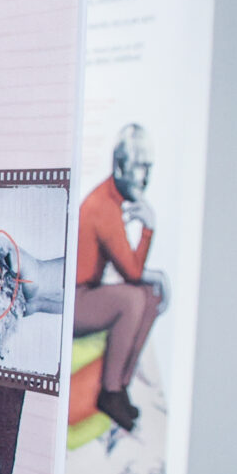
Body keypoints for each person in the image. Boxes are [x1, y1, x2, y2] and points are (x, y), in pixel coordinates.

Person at [74, 123, 167, 431]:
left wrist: (155, 277)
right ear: (120, 166)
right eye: (140, 166)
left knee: (150, 294)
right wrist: (149, 227)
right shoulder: (104, 206)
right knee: (133, 298)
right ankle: (110, 390)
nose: (146, 177)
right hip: (73, 302)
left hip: (86, 292)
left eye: (148, 167)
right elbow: (132, 272)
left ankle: (121, 387)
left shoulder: (112, 200)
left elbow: (125, 266)